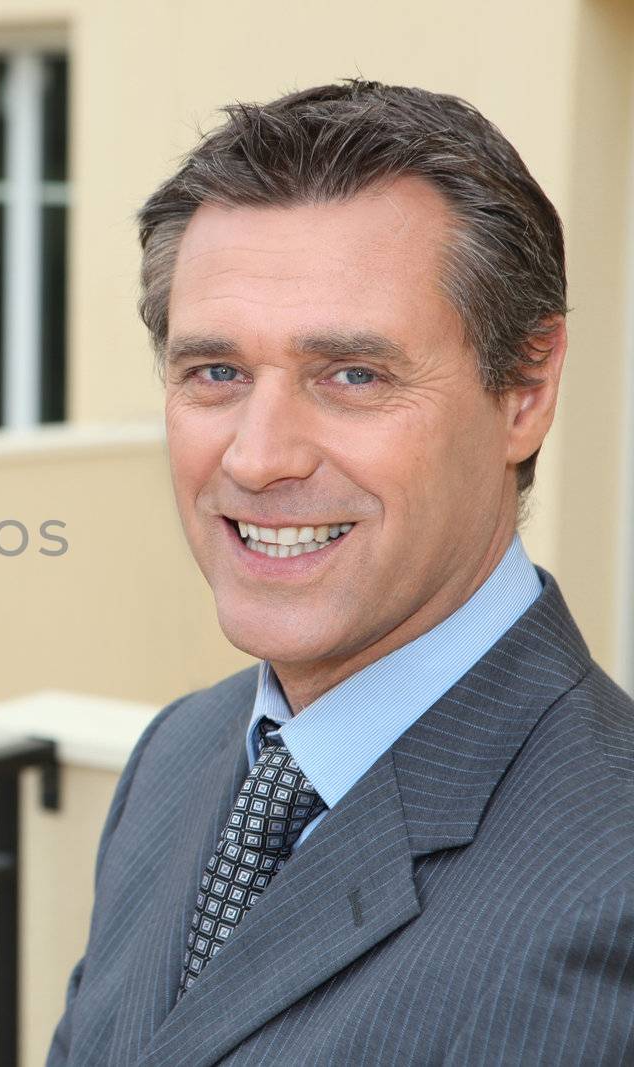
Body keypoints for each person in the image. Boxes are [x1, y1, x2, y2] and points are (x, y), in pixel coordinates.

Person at [48, 81, 634, 1066]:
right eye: (214, 373)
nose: (256, 456)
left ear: (525, 389)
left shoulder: (612, 881)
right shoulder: (177, 756)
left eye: (352, 375)